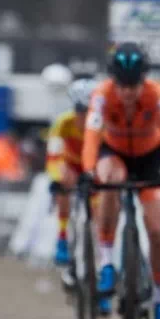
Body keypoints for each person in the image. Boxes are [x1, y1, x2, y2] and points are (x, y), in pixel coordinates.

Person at [80, 43, 160, 319]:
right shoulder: (101, 95)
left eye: (133, 85)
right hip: (116, 153)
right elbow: (91, 136)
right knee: (110, 178)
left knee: (154, 228)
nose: (126, 93)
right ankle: (108, 262)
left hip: (151, 158)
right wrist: (87, 171)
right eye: (121, 85)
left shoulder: (159, 94)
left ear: (144, 80)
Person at [46, 78, 97, 266]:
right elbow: (53, 155)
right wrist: (56, 179)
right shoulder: (63, 123)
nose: (84, 117)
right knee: (64, 180)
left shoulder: (101, 125)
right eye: (80, 111)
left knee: (99, 209)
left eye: (89, 112)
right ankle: (62, 236)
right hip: (71, 165)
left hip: (93, 167)